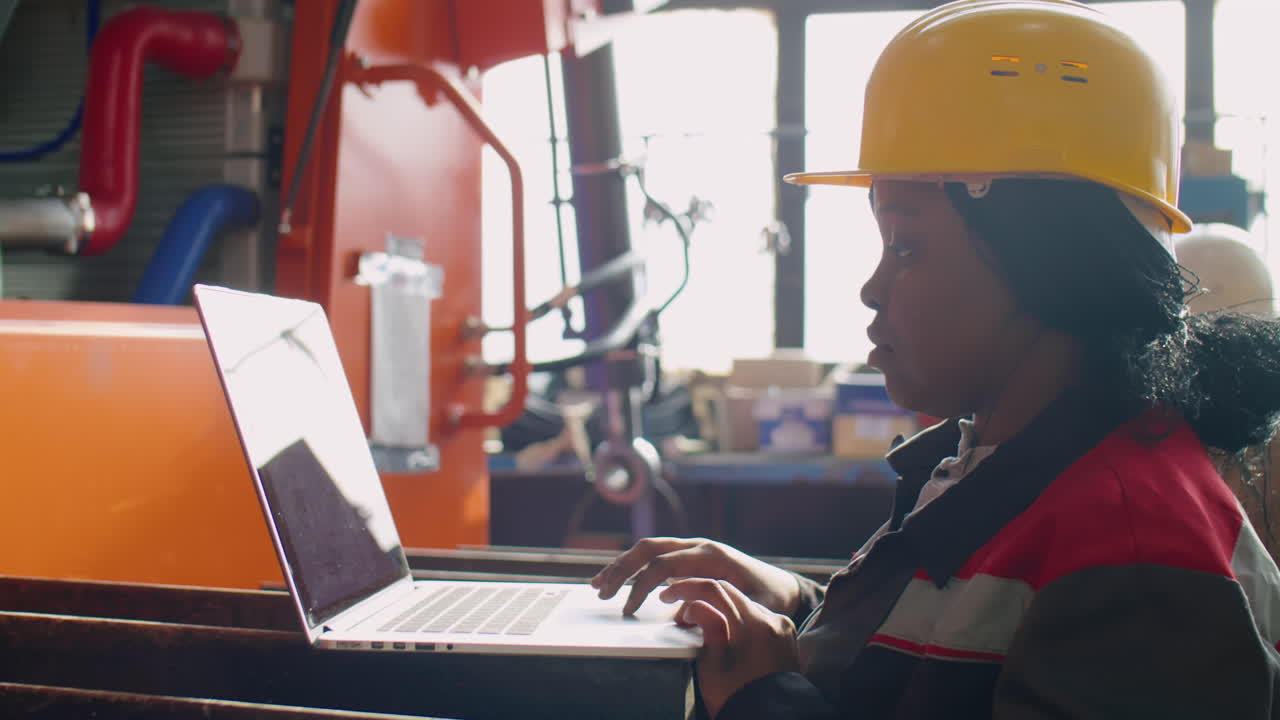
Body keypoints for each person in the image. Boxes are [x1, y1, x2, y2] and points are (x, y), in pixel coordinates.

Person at [590, 0, 1280, 717]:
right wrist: (798, 606)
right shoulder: (995, 466)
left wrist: (767, 698)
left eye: (906, 247)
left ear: (1043, 264)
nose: (871, 287)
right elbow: (944, 662)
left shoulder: (1138, 561)